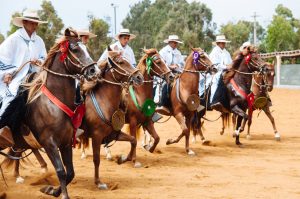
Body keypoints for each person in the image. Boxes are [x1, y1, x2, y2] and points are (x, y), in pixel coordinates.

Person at [0, 9, 47, 148]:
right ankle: (3, 126)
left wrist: (39, 61)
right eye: (32, 22)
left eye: (36, 23)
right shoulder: (13, 39)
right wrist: (7, 73)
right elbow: (2, 58)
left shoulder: (38, 40)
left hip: (37, 76)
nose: (35, 25)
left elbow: (44, 57)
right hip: (17, 77)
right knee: (16, 95)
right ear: (24, 22)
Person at [199, 35, 232, 112]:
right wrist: (226, 67)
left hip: (226, 71)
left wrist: (230, 66)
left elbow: (230, 63)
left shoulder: (227, 52)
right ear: (218, 43)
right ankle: (212, 100)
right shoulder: (215, 51)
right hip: (215, 72)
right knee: (215, 80)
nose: (224, 44)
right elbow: (215, 65)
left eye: (224, 43)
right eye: (222, 43)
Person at [154, 35, 185, 114]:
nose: (175, 44)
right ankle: (163, 104)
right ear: (170, 42)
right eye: (174, 42)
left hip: (177, 72)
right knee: (166, 84)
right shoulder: (163, 51)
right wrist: (170, 66)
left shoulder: (178, 52)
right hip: (165, 73)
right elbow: (160, 63)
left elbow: (182, 63)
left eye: (176, 42)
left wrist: (177, 65)